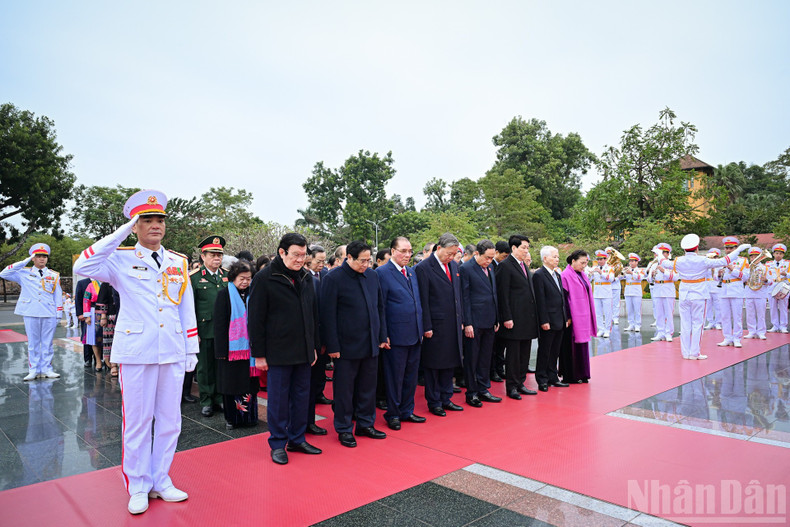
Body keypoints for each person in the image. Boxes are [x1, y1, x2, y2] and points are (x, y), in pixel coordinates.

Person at [72, 189, 198, 514]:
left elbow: (185, 307)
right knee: (138, 422)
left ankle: (161, 480)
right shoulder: (119, 259)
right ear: (135, 224)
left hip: (171, 348)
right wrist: (121, 233)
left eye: (159, 220)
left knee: (170, 421)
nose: (155, 225)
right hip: (137, 350)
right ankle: (139, 484)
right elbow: (83, 264)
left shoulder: (178, 262)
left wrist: (191, 348)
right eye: (147, 220)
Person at [248, 233, 322, 465]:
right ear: (282, 252)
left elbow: (312, 316)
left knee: (302, 396)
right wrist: (259, 354)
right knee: (279, 400)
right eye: (296, 255)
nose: (301, 260)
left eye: (304, 255)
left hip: (303, 351)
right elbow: (256, 319)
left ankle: (297, 438)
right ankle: (278, 442)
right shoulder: (265, 277)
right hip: (277, 351)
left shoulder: (306, 278)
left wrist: (314, 347)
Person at [322, 240, 389, 446]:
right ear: (348, 258)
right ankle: (343, 428)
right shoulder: (334, 278)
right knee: (344, 390)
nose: (366, 265)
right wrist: (332, 346)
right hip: (346, 346)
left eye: (369, 260)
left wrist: (382, 335)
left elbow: (379, 308)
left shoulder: (372, 275)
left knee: (367, 387)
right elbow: (327, 315)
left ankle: (365, 423)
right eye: (362, 261)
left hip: (370, 343)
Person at [654, 235, 750, 359]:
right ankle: (694, 353)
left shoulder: (678, 260)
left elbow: (663, 262)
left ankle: (685, 353)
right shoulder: (702, 260)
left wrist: (658, 252)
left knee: (685, 324)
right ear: (697, 248)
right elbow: (724, 261)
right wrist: (738, 250)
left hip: (684, 295)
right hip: (698, 294)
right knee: (697, 324)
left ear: (684, 249)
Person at [376, 236, 427, 430]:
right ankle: (393, 413)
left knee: (410, 376)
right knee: (394, 378)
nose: (407, 255)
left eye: (410, 252)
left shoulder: (412, 273)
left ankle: (407, 410)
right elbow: (380, 306)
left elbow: (417, 302)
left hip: (414, 333)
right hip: (395, 336)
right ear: (392, 251)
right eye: (403, 251)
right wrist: (384, 334)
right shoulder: (382, 273)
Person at [414, 233, 465, 416]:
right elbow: (423, 300)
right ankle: (434, 401)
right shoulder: (424, 268)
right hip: (435, 325)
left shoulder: (453, 265)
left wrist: (462, 319)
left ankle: (446, 397)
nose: (451, 257)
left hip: (453, 323)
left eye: (454, 254)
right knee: (434, 364)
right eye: (449, 253)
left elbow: (458, 296)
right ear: (438, 248)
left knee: (450, 362)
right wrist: (426, 326)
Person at [0, 243, 63, 381]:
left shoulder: (53, 275)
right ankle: (33, 369)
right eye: (38, 256)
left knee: (47, 342)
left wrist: (59, 312)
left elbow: (58, 295)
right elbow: (4, 273)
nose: (42, 259)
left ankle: (47, 368)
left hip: (48, 311)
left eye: (44, 257)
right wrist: (24, 262)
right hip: (31, 311)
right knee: (33, 343)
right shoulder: (23, 272)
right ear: (33, 258)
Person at [213, 259, 261, 430]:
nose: (245, 282)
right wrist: (221, 351)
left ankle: (249, 418)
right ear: (233, 277)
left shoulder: (254, 294)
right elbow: (219, 324)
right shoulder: (224, 295)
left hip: (250, 350)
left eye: (248, 278)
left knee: (249, 385)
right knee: (232, 385)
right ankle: (232, 419)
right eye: (242, 278)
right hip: (231, 350)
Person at [188, 236, 228, 417]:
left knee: (221, 365)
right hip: (204, 329)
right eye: (212, 254)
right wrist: (193, 331)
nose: (217, 258)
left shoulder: (227, 276)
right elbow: (189, 307)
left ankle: (220, 397)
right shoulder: (194, 278)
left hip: (225, 330)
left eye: (219, 254)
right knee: (205, 367)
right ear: (203, 257)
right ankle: (206, 400)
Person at [495, 234, 539, 399]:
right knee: (513, 354)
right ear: (513, 248)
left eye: (528, 248)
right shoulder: (505, 266)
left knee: (524, 353)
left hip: (527, 318)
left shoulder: (523, 266)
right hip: (513, 319)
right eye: (523, 248)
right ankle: (511, 386)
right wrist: (506, 317)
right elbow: (503, 294)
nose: (526, 251)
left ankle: (521, 382)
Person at [459, 239, 502, 406]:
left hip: (490, 320)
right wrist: (467, 322)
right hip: (474, 322)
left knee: (485, 357)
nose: (489, 261)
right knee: (472, 358)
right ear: (477, 254)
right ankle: (472, 393)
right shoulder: (466, 269)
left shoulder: (490, 267)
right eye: (487, 257)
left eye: (492, 258)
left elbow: (494, 294)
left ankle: (484, 388)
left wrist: (497, 318)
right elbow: (465, 298)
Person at [533, 246, 571, 392]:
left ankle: (553, 376)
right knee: (545, 350)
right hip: (548, 320)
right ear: (545, 258)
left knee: (555, 351)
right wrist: (543, 320)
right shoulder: (539, 275)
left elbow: (562, 297)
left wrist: (565, 316)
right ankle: (542, 379)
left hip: (559, 319)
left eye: (557, 256)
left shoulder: (558, 275)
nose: (557, 259)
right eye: (554, 256)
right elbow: (540, 301)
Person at [305, 244, 332, 436]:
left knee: (318, 375)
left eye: (324, 260)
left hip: (322, 334)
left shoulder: (325, 277)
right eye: (318, 261)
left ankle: (311, 417)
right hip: (307, 338)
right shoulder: (305, 279)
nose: (322, 264)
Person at [559, 250, 596, 383]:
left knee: (583, 347)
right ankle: (572, 375)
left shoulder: (582, 274)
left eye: (586, 263)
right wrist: (568, 316)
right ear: (573, 261)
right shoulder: (565, 275)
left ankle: (583, 373)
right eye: (582, 263)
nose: (584, 265)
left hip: (583, 316)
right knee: (571, 347)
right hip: (573, 317)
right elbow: (563, 298)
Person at [718, 236, 748, 348]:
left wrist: (733, 270)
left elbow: (746, 277)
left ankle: (737, 338)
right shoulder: (722, 261)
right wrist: (719, 275)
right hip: (723, 290)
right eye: (727, 248)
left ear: (736, 248)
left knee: (737, 316)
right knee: (725, 316)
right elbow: (716, 278)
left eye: (731, 248)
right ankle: (727, 338)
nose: (728, 250)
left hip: (736, 290)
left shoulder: (743, 260)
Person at [650, 243, 677, 342]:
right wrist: (651, 275)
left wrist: (664, 271)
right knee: (659, 313)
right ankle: (660, 332)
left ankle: (669, 333)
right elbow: (649, 280)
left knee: (669, 313)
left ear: (667, 254)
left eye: (662, 253)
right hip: (657, 289)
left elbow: (675, 277)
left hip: (668, 290)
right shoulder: (654, 265)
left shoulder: (672, 264)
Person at [743, 247, 769, 340]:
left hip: (760, 294)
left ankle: (761, 332)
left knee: (761, 314)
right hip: (749, 293)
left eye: (755, 256)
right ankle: (751, 331)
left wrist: (766, 280)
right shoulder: (746, 267)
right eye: (752, 257)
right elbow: (742, 278)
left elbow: (771, 281)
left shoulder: (765, 267)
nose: (753, 258)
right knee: (750, 314)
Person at [96, 282, 121, 376]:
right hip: (111, 316)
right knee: (110, 341)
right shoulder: (106, 283)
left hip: (125, 315)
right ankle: (113, 364)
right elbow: (102, 301)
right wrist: (103, 316)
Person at [591, 250, 614, 338]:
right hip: (597, 292)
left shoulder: (610, 268)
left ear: (605, 259)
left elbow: (611, 278)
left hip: (606, 293)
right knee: (598, 313)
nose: (599, 261)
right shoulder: (594, 268)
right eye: (598, 259)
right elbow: (589, 279)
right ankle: (600, 329)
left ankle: (607, 330)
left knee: (608, 312)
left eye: (601, 259)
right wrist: (590, 273)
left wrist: (601, 272)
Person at [766, 243, 789, 333]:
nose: (778, 255)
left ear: (783, 254)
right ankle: (775, 325)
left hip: (783, 286)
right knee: (773, 307)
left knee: (783, 307)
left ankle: (783, 326)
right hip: (772, 286)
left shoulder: (788, 263)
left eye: (780, 253)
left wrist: (786, 274)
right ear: (773, 254)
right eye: (777, 253)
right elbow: (766, 275)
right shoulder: (768, 264)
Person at [82, 278, 103, 372]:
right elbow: (86, 300)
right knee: (93, 338)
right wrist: (87, 315)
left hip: (107, 311)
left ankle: (107, 360)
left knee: (107, 337)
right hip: (94, 312)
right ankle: (98, 361)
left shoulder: (110, 283)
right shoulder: (91, 285)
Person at [74, 276, 94, 367]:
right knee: (86, 336)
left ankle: (99, 358)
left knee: (98, 337)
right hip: (86, 315)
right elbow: (78, 299)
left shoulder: (102, 282)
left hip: (98, 314)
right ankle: (88, 359)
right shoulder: (82, 283)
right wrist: (80, 314)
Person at [622, 253, 644, 332]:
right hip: (628, 291)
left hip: (636, 291)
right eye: (630, 261)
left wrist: (631, 273)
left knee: (637, 309)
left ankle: (638, 325)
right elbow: (621, 277)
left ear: (637, 262)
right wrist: (622, 272)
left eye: (633, 261)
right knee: (629, 309)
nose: (631, 263)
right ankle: (631, 324)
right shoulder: (627, 269)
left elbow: (640, 278)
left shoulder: (640, 270)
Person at [704, 248, 724, 330]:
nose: (713, 258)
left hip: (717, 286)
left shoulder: (720, 265)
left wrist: (719, 275)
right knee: (708, 306)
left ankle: (718, 322)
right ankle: (710, 322)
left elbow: (722, 276)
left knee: (718, 306)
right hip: (707, 286)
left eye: (715, 257)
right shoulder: (706, 264)